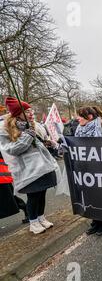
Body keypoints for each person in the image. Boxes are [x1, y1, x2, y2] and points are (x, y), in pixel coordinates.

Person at [0, 97, 59, 234]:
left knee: (42, 193)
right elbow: (12, 150)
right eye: (26, 111)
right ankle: (33, 222)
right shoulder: (5, 130)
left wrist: (46, 143)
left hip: (43, 166)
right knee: (33, 196)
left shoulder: (33, 125)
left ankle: (41, 217)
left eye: (30, 111)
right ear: (18, 113)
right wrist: (27, 137)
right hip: (28, 170)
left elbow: (37, 145)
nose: (30, 114)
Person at [75, 106, 102, 236]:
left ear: (90, 117)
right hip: (86, 169)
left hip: (101, 169)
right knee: (91, 197)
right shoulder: (79, 129)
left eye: (80, 116)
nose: (77, 118)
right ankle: (96, 222)